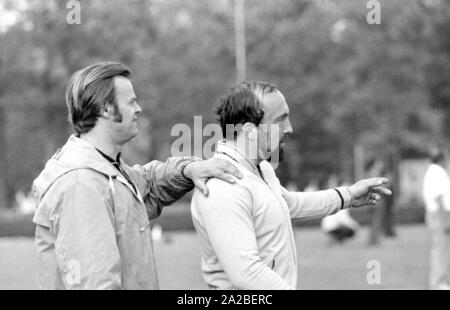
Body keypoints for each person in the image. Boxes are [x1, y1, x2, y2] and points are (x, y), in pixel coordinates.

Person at [32, 62, 241, 290]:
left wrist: (188, 169)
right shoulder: (82, 185)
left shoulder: (107, 169)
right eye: (131, 102)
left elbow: (149, 183)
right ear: (106, 109)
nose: (139, 109)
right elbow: (97, 284)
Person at [191, 81, 391, 289]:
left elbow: (289, 204)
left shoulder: (261, 169)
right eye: (280, 120)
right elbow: (247, 274)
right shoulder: (224, 185)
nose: (290, 128)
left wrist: (348, 195)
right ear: (249, 131)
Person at [422, 149, 450, 290]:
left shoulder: (430, 172)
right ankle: (439, 283)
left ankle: (438, 282)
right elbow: (440, 197)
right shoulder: (438, 172)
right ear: (442, 159)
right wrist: (446, 219)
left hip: (434, 215)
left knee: (438, 249)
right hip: (440, 214)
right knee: (441, 250)